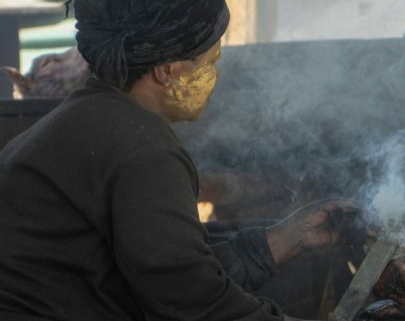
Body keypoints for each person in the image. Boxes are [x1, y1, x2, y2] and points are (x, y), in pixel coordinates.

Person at [0, 0, 368, 320]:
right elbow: (191, 302)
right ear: (168, 71)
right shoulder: (142, 148)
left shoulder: (87, 116)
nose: (215, 75)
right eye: (211, 61)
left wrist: (294, 236)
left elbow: (168, 276)